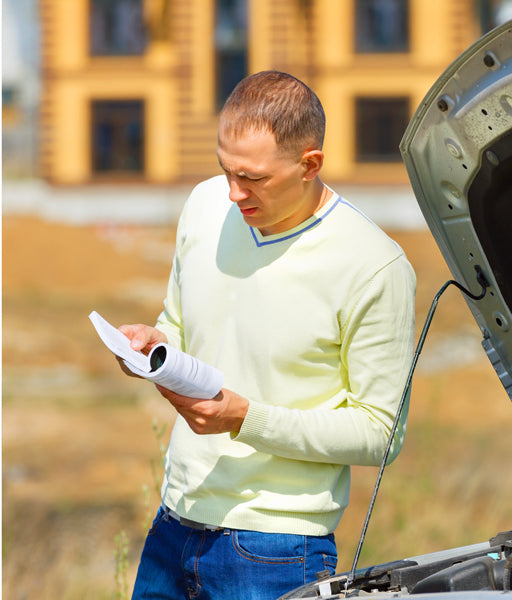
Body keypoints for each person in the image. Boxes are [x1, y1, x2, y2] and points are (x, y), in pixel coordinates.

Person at [117, 71, 417, 599]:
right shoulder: (205, 206)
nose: (233, 193)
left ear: (310, 164)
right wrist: (151, 346)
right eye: (225, 170)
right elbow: (181, 325)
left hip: (277, 550)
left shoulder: (374, 265)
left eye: (252, 178)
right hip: (174, 522)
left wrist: (244, 419)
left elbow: (381, 434)